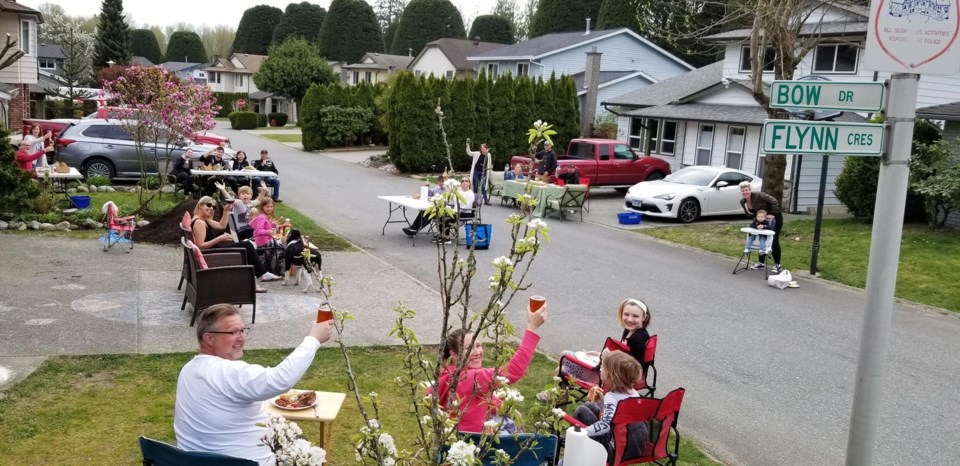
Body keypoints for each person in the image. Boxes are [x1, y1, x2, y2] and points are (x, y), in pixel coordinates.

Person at [174, 304, 334, 465]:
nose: (242, 337)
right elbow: (280, 379)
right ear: (209, 338)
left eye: (243, 330)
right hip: (242, 461)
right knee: (306, 450)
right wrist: (313, 339)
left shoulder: (188, 370)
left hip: (193, 460)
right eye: (233, 332)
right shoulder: (227, 372)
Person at [433, 304, 548, 433]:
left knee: (510, 422)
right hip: (476, 442)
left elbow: (477, 396)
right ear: (454, 354)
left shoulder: (448, 373)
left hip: (456, 436)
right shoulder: (472, 377)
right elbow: (513, 371)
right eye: (469, 348)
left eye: (478, 345)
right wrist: (532, 328)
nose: (477, 352)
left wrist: (505, 408)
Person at [537, 298, 651, 402]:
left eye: (635, 316)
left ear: (644, 317)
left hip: (611, 379)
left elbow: (633, 368)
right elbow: (624, 356)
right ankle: (557, 397)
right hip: (612, 370)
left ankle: (556, 398)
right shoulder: (633, 332)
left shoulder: (638, 340)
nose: (630, 319)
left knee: (563, 363)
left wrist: (606, 358)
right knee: (564, 360)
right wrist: (600, 354)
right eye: (626, 314)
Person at [191, 196, 282, 292]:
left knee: (246, 245)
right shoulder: (199, 223)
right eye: (208, 205)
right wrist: (220, 238)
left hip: (215, 251)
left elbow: (222, 226)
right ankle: (260, 276)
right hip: (214, 255)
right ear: (200, 205)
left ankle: (257, 278)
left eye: (213, 207)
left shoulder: (203, 219)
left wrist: (226, 211)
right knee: (247, 245)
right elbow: (200, 246)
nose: (211, 208)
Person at [570, 351, 647, 462]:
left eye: (603, 367)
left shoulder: (612, 397)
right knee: (589, 405)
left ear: (612, 376)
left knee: (581, 410)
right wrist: (602, 402)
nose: (600, 368)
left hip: (614, 451)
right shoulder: (633, 393)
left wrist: (584, 431)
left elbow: (605, 425)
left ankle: (576, 443)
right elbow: (616, 417)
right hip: (634, 447)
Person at [739, 181, 784, 274]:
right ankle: (761, 263)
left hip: (775, 219)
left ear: (750, 190)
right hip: (761, 220)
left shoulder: (759, 195)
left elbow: (774, 201)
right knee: (759, 237)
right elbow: (751, 213)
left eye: (746, 190)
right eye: (743, 191)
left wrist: (773, 214)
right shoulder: (743, 201)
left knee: (773, 239)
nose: (745, 192)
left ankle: (777, 265)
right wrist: (756, 220)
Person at [467, 141, 491, 206]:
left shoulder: (488, 155)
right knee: (476, 185)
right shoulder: (477, 154)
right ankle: (475, 200)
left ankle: (486, 200)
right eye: (482, 149)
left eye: (484, 149)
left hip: (483, 172)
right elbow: (469, 152)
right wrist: (468, 145)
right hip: (476, 171)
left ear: (486, 149)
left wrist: (489, 173)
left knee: (483, 186)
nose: (483, 150)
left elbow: (489, 164)